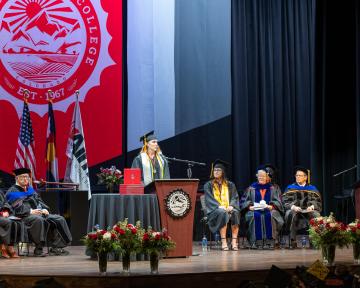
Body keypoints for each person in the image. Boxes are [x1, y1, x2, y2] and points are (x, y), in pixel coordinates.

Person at [6, 168, 72, 256]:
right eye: (22, 177)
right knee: (38, 220)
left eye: (27, 177)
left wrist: (44, 209)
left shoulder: (30, 190)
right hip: (22, 216)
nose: (26, 179)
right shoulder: (12, 191)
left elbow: (39, 201)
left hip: (38, 213)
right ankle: (38, 248)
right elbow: (15, 207)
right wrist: (31, 211)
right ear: (17, 179)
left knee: (59, 218)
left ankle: (56, 247)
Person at [240, 164, 284, 249]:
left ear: (267, 177)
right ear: (257, 176)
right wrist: (249, 207)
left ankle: (270, 242)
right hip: (254, 210)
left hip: (270, 210)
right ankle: (256, 242)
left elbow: (279, 201)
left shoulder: (273, 188)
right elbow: (243, 201)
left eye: (263, 176)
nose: (261, 178)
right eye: (259, 176)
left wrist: (272, 206)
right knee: (253, 216)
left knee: (271, 215)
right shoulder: (251, 188)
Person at [204, 159, 240, 251]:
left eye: (218, 170)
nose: (215, 172)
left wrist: (232, 205)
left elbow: (234, 197)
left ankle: (234, 242)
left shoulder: (230, 184)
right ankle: (224, 242)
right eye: (214, 170)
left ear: (223, 172)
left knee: (235, 212)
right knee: (222, 213)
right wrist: (219, 206)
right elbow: (208, 199)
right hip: (214, 210)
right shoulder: (208, 185)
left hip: (228, 207)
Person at [283, 166, 321, 248]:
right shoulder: (290, 188)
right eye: (296, 175)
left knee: (316, 215)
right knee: (289, 213)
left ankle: (315, 240)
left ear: (305, 177)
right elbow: (285, 201)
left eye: (300, 175)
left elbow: (317, 201)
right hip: (295, 210)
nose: (297, 177)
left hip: (308, 210)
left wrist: (312, 206)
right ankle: (291, 240)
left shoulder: (312, 188)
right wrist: (293, 207)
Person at [0, 189, 20, 258]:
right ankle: (8, 246)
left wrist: (6, 210)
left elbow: (5, 202)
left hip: (2, 216)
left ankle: (3, 247)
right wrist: (1, 213)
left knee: (13, 222)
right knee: (7, 222)